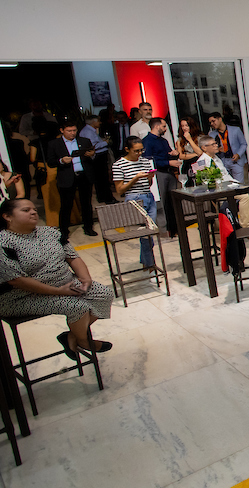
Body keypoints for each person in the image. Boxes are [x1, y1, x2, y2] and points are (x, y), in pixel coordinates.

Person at [0, 198, 115, 359]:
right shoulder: (3, 242)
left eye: (34, 209)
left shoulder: (50, 232)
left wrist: (85, 279)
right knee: (77, 306)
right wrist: (58, 291)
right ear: (7, 216)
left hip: (64, 285)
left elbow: (73, 257)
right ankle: (84, 340)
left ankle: (71, 337)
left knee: (103, 294)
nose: (33, 212)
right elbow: (16, 280)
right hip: (21, 296)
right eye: (26, 210)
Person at [112, 136, 159, 269]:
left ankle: (145, 261)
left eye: (141, 151)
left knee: (149, 232)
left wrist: (150, 178)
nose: (139, 154)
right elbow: (120, 190)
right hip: (134, 199)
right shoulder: (118, 165)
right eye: (136, 151)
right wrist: (135, 178)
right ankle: (150, 264)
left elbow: (148, 184)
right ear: (127, 149)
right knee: (145, 234)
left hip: (148, 196)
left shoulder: (144, 161)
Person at [48, 120, 98, 242]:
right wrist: (61, 161)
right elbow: (50, 162)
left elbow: (91, 157)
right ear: (62, 130)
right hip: (67, 176)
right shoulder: (54, 144)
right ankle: (64, 231)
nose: (72, 133)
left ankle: (88, 227)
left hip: (84, 175)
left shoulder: (84, 141)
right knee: (66, 205)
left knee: (86, 203)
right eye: (69, 131)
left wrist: (91, 154)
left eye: (74, 130)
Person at [80, 114, 116, 205]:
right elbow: (92, 146)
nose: (100, 123)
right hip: (98, 157)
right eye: (98, 121)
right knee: (102, 178)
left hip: (100, 156)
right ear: (93, 122)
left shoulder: (91, 130)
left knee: (101, 179)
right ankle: (107, 198)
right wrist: (105, 142)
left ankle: (103, 197)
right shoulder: (88, 132)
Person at [208, 112, 247, 183]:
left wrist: (238, 154)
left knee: (239, 184)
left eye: (213, 121)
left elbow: (243, 144)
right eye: (210, 122)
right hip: (223, 161)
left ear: (220, 119)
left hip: (236, 160)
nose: (212, 124)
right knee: (226, 184)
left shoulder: (236, 130)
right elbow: (210, 148)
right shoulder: (212, 134)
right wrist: (218, 150)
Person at [175, 117, 205, 185]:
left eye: (186, 125)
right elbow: (181, 156)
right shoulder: (180, 140)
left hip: (199, 164)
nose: (184, 128)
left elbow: (200, 153)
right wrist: (195, 154)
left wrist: (189, 139)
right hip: (187, 166)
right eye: (182, 126)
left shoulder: (200, 137)